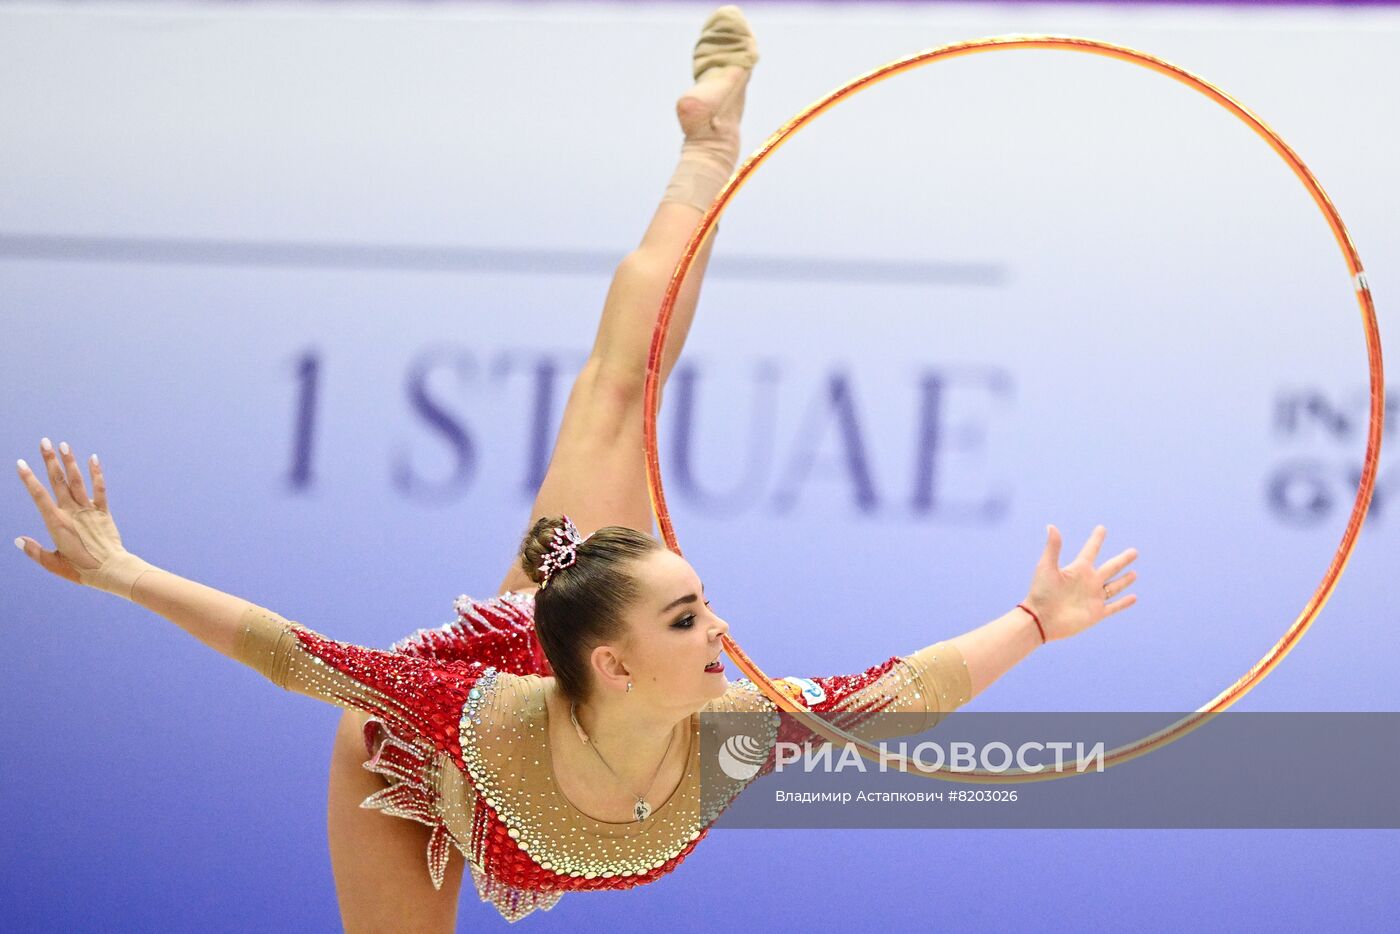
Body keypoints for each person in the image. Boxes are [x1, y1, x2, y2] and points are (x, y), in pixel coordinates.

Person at [12, 6, 1140, 929]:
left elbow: (892, 697)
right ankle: (707, 152)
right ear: (613, 659)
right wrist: (121, 571)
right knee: (619, 393)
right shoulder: (457, 712)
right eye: (691, 616)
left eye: (697, 612)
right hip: (402, 773)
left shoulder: (721, 721)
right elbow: (288, 655)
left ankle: (703, 152)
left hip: (547, 598)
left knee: (617, 385)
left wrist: (1035, 621)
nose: (725, 634)